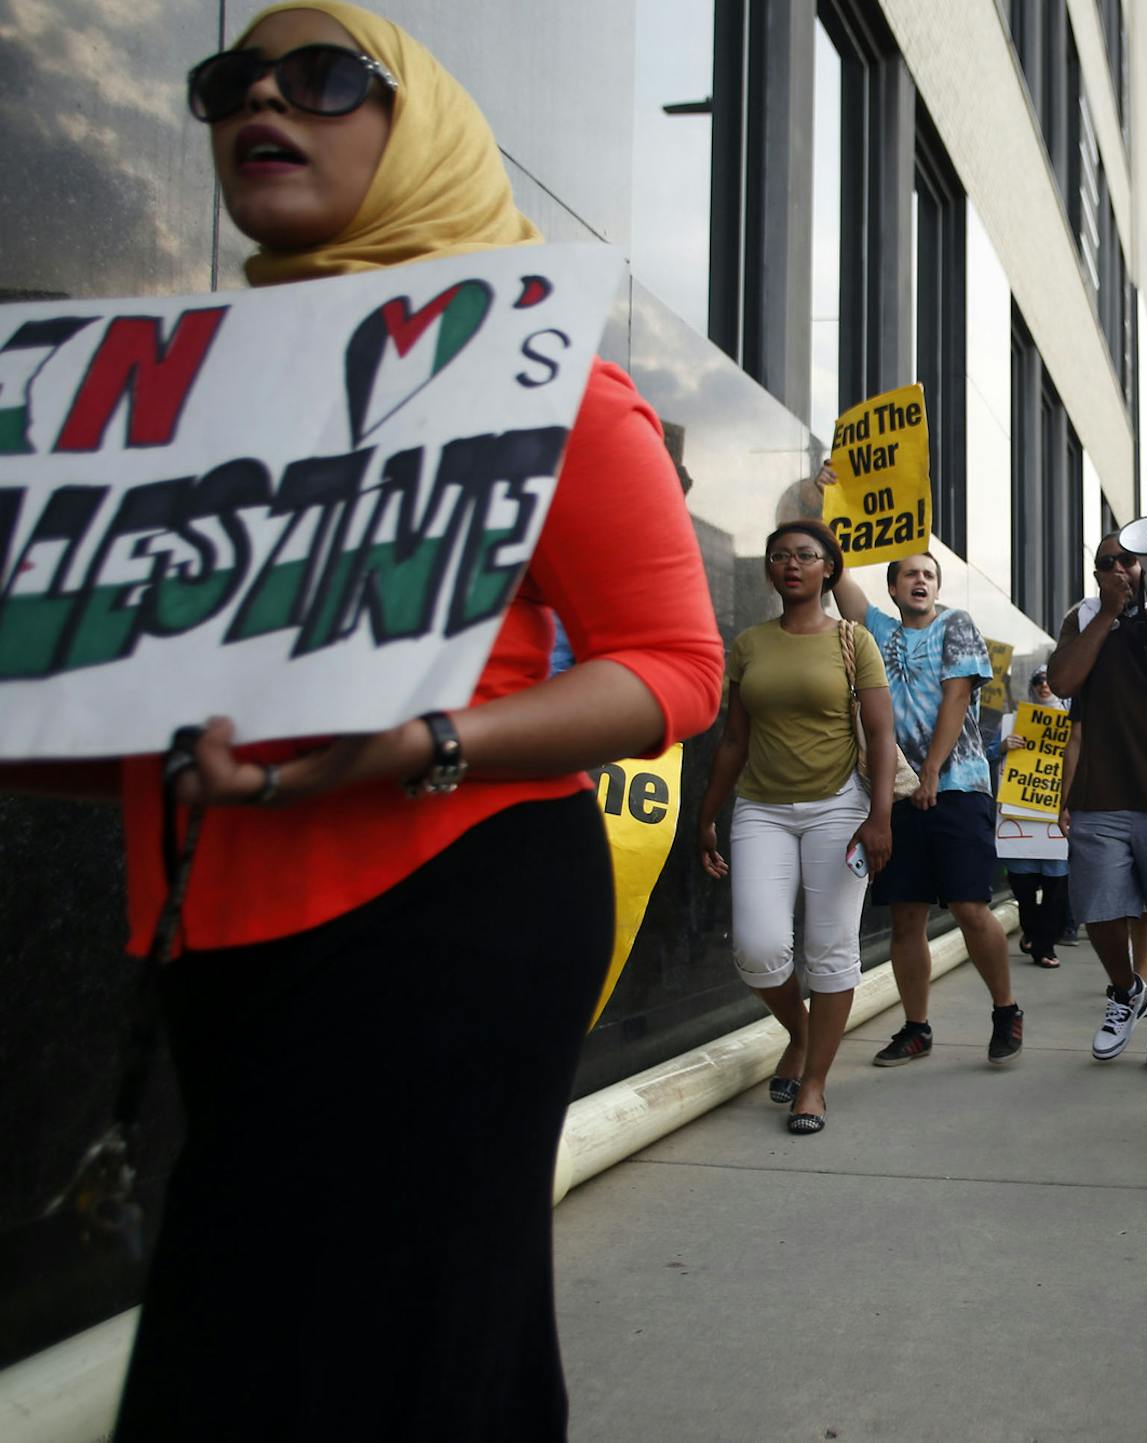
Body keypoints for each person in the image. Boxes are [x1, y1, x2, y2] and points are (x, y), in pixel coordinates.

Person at [0, 5, 727, 1434]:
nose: (261, 98)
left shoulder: (544, 381)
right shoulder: (164, 410)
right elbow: (136, 714)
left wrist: (427, 741)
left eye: (323, 77)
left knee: (410, 1343)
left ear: (425, 135)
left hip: (453, 915)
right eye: (230, 82)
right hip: (227, 939)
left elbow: (675, 668)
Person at [696, 520, 892, 1135]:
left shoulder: (853, 640)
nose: (792, 564)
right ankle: (802, 1034)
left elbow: (883, 735)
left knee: (830, 951)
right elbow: (733, 739)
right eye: (780, 556)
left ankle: (814, 1081)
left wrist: (879, 815)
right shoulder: (750, 643)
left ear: (828, 569)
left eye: (806, 556)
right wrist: (707, 813)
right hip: (761, 808)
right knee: (757, 948)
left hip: (839, 807)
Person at [827, 535, 1023, 1066]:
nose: (920, 582)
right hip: (898, 793)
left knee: (968, 905)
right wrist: (819, 500)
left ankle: (1005, 1009)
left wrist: (933, 769)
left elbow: (958, 697)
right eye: (909, 575)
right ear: (891, 587)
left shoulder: (954, 624)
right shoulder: (878, 630)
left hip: (957, 786)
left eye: (929, 575)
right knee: (906, 915)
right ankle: (917, 1028)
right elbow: (838, 573)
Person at [1047, 529, 1147, 1078]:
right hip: (1101, 795)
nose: (1116, 569)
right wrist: (1107, 615)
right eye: (1104, 563)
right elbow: (1063, 679)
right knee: (1097, 910)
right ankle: (1125, 988)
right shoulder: (1085, 614)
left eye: (1127, 561)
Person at [996, 668, 1071, 968]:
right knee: (1024, 891)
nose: (1044, 686)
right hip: (1021, 820)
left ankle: (1045, 947)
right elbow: (986, 753)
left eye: (1049, 681)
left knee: (1055, 892)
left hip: (1054, 820)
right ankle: (1032, 931)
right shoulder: (1013, 723)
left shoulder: (1073, 725)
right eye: (1038, 681)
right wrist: (1003, 747)